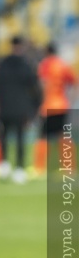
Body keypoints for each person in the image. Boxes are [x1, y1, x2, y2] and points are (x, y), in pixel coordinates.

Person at [0, 35, 41, 184]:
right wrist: (35, 106)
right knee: (20, 137)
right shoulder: (26, 64)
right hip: (21, 107)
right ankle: (19, 168)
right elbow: (35, 87)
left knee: (4, 136)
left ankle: (4, 164)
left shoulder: (3, 63)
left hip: (5, 106)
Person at [33, 43, 78, 178]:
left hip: (48, 106)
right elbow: (74, 82)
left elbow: (41, 84)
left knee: (43, 136)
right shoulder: (63, 65)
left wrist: (38, 102)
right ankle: (69, 167)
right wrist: (70, 99)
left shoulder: (45, 64)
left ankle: (39, 168)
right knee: (63, 136)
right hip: (62, 105)